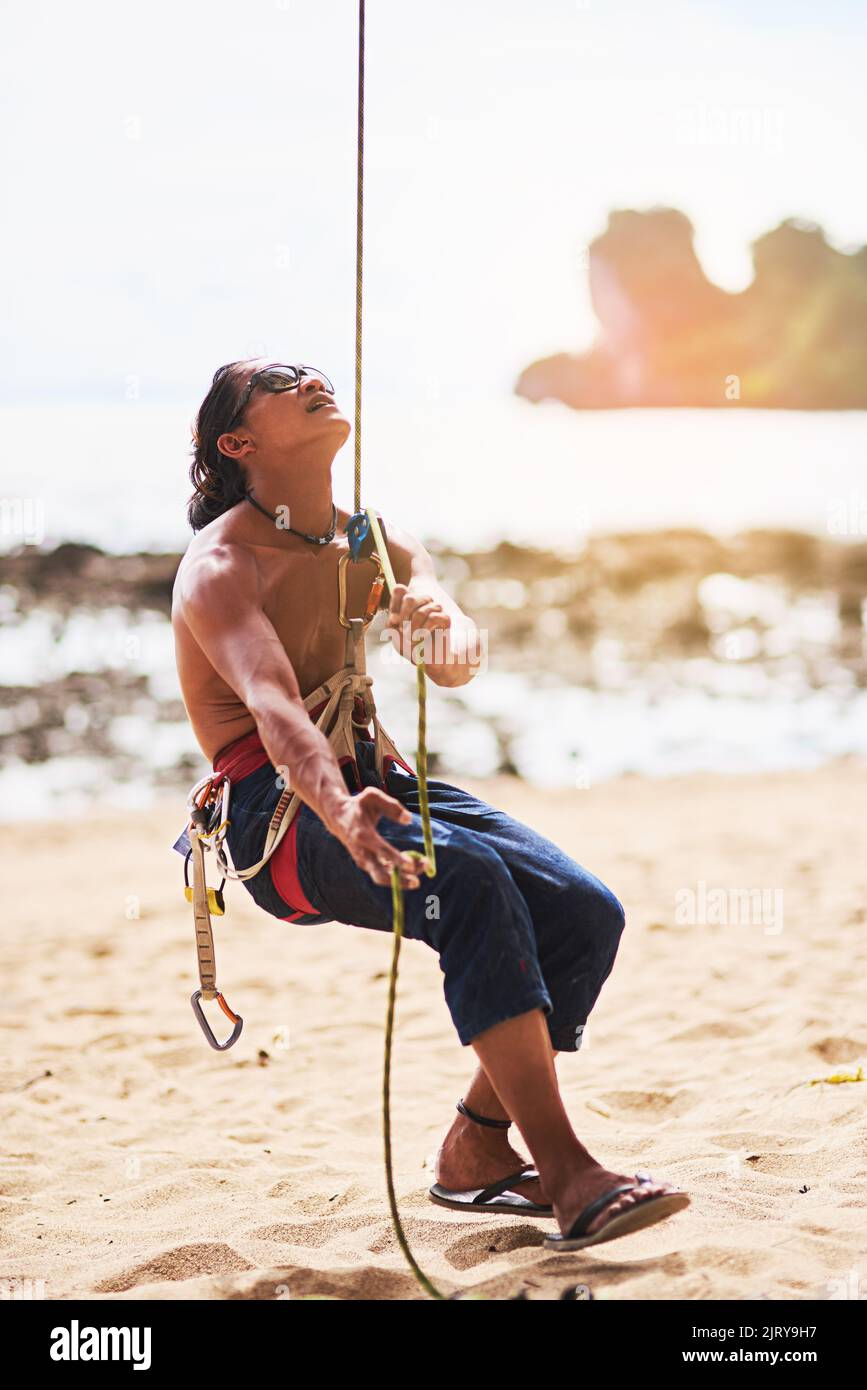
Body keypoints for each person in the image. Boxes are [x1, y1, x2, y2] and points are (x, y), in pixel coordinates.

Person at [171, 359, 689, 1250]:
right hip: (281, 813)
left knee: (582, 911)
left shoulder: (371, 538)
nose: (312, 379)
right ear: (238, 442)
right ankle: (568, 1173)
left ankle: (476, 1152)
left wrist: (436, 626)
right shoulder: (221, 564)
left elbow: (457, 658)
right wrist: (340, 814)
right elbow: (276, 709)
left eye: (315, 370)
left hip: (381, 777)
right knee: (475, 881)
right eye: (283, 379)